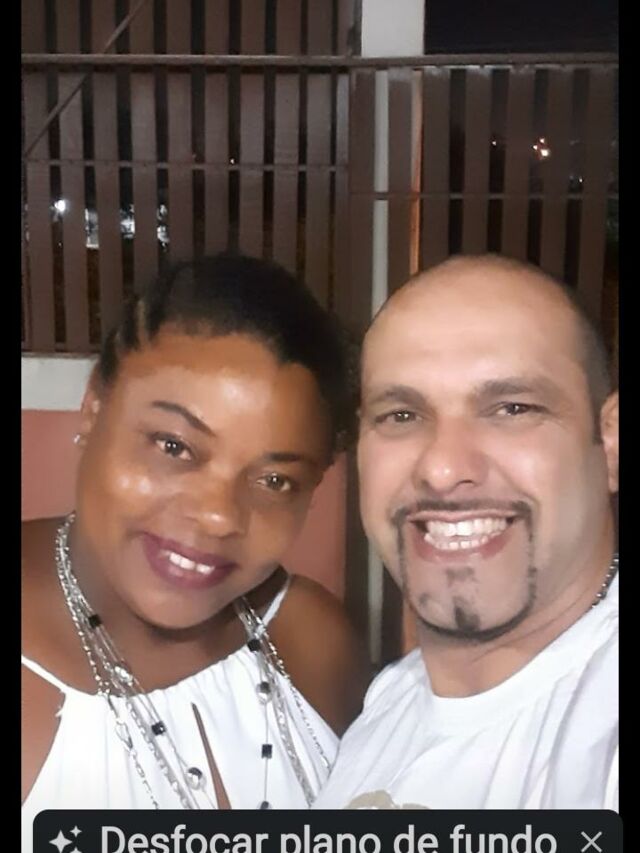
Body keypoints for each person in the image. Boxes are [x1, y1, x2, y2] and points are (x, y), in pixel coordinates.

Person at [21, 253, 369, 838]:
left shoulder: (312, 638)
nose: (217, 516)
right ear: (94, 408)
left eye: (274, 480)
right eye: (174, 446)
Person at [313, 254, 619, 810]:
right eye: (401, 415)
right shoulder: (391, 701)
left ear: (611, 443)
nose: (443, 467)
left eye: (512, 408)